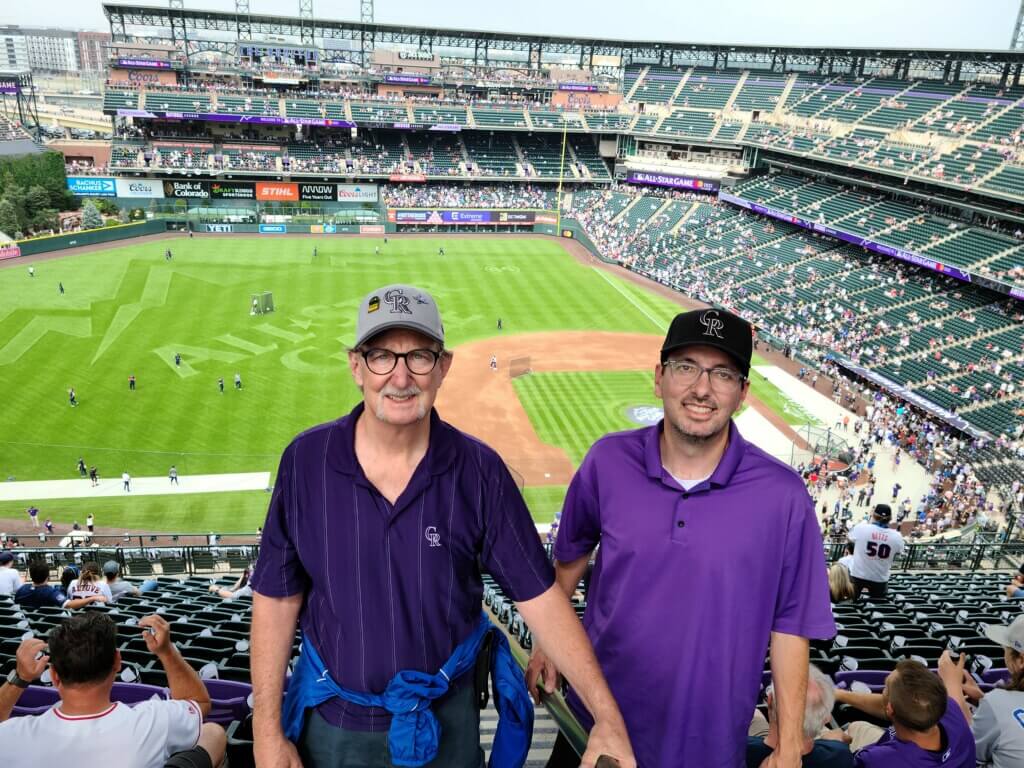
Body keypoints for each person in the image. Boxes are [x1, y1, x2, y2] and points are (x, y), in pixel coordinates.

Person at [250, 284, 635, 768]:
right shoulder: (305, 462)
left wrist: (606, 715)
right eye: (381, 356)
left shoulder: (479, 471)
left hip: (447, 724)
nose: (401, 376)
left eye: (420, 357)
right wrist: (266, 730)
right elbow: (276, 598)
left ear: (444, 367)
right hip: (335, 727)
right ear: (355, 366)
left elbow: (539, 598)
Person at [529, 308, 835, 768]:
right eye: (686, 367)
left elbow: (791, 623)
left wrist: (789, 742)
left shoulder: (784, 496)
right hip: (595, 731)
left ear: (743, 392)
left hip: (707, 747)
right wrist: (545, 642)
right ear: (659, 378)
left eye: (723, 374)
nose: (702, 388)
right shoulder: (607, 460)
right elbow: (570, 558)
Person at [0, 612, 227, 767]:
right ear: (118, 662)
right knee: (213, 732)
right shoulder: (154, 721)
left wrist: (19, 678)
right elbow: (199, 702)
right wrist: (166, 651)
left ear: (53, 675)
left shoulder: (15, 735)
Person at [836, 658, 975, 767]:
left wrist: (834, 745)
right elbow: (889, 705)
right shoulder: (953, 711)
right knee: (857, 727)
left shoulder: (875, 760)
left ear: (890, 709)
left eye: (886, 688)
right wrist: (840, 695)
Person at [746, 665, 852, 767]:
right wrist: (833, 743)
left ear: (769, 701)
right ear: (826, 718)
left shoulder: (740, 751)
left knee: (756, 714)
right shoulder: (841, 756)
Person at [847, 503, 904, 598]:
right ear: (890, 518)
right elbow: (899, 551)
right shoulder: (897, 536)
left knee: (850, 603)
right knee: (878, 607)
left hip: (858, 575)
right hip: (880, 578)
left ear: (873, 515)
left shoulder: (861, 528)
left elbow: (849, 538)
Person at [14, 562, 105, 609]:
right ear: (48, 576)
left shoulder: (21, 590)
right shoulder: (51, 592)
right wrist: (92, 598)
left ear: (31, 575)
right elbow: (69, 604)